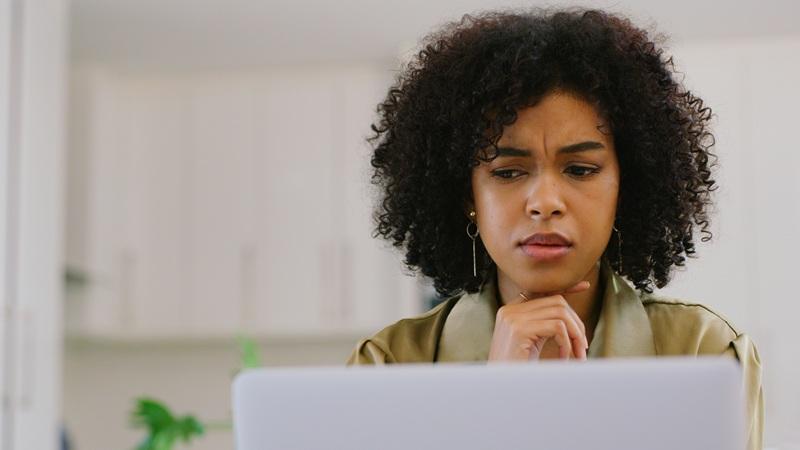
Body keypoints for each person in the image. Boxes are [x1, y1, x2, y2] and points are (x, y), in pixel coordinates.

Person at [347, 8, 763, 450]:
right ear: (468, 197)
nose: (545, 202)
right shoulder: (388, 366)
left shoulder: (704, 354)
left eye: (580, 169)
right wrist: (496, 400)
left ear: (626, 189)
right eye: (507, 172)